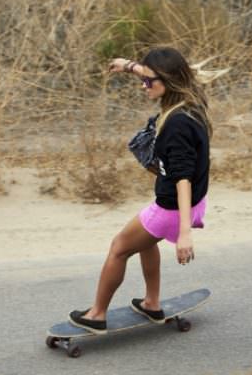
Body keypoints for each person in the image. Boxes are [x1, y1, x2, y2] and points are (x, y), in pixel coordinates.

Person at [69, 47, 218, 335]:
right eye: (144, 78)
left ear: (168, 83)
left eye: (149, 81)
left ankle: (97, 314)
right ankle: (151, 302)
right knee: (146, 242)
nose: (144, 85)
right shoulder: (191, 101)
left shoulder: (176, 124)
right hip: (195, 202)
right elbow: (160, 75)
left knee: (119, 249)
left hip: (173, 208)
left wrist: (184, 233)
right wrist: (129, 66)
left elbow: (182, 178)